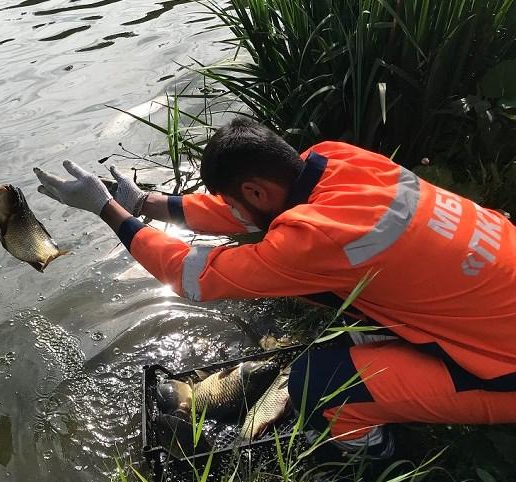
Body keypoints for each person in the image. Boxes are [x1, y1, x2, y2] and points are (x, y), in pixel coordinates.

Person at [33, 117, 516, 459]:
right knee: (342, 347)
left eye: (237, 197)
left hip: (505, 372)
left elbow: (190, 276)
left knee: (319, 383)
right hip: (494, 303)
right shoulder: (336, 160)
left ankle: (370, 458)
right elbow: (245, 207)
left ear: (258, 190)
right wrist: (147, 203)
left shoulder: (313, 239)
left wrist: (107, 210)